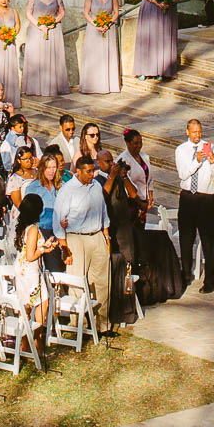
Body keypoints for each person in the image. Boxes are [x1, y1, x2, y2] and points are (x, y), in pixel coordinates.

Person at [54, 154, 114, 334]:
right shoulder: (67, 190)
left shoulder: (96, 186)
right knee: (77, 281)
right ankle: (77, 324)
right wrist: (64, 248)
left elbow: (103, 212)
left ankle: (102, 324)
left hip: (96, 236)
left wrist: (106, 236)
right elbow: (58, 221)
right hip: (75, 237)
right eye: (88, 172)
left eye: (92, 171)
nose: (91, 174)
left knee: (102, 282)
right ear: (78, 172)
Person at [176, 118, 214, 293]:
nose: (197, 135)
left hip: (206, 198)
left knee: (209, 240)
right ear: (188, 132)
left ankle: (211, 279)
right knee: (186, 238)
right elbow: (183, 174)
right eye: (194, 132)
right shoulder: (181, 150)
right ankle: (185, 273)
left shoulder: (211, 147)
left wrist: (211, 160)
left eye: (199, 132)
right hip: (188, 197)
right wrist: (197, 161)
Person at [95, 148, 140, 327]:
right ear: (98, 163)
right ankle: (113, 310)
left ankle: (127, 310)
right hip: (110, 230)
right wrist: (112, 177)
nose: (110, 164)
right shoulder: (98, 180)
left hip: (124, 229)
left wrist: (124, 177)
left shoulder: (118, 178)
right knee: (114, 269)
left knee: (128, 267)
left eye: (112, 161)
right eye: (107, 162)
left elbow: (134, 194)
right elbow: (102, 197)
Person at [14, 193, 60, 352]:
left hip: (21, 269)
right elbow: (31, 255)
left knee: (26, 304)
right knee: (42, 303)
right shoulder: (33, 229)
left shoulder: (23, 227)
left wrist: (43, 247)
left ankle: (25, 342)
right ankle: (36, 339)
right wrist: (44, 249)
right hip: (30, 271)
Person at [133, 0, 181, 81]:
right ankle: (144, 70)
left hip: (167, 10)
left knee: (163, 39)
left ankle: (162, 70)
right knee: (148, 38)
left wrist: (170, 2)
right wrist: (154, 1)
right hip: (150, 9)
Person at [23, 0, 69, 96]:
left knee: (53, 57)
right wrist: (40, 25)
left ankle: (53, 87)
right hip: (37, 29)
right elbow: (28, 12)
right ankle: (36, 88)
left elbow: (62, 11)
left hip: (53, 29)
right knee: (38, 58)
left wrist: (53, 22)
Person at [80, 0, 122, 94]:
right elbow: (86, 13)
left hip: (109, 28)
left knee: (107, 56)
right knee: (95, 56)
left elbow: (116, 12)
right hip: (94, 29)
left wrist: (109, 23)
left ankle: (109, 85)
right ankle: (93, 85)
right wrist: (96, 24)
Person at [118, 128, 154, 211]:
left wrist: (150, 195)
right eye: (135, 143)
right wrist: (140, 204)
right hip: (131, 203)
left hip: (144, 201)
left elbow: (150, 177)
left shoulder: (144, 156)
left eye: (141, 142)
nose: (139, 145)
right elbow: (126, 186)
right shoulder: (123, 160)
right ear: (128, 143)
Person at [6, 147, 38, 235]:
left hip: (38, 210)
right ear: (19, 160)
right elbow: (17, 202)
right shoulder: (15, 178)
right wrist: (29, 215)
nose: (29, 161)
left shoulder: (37, 172)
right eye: (25, 159)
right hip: (23, 213)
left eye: (31, 158)